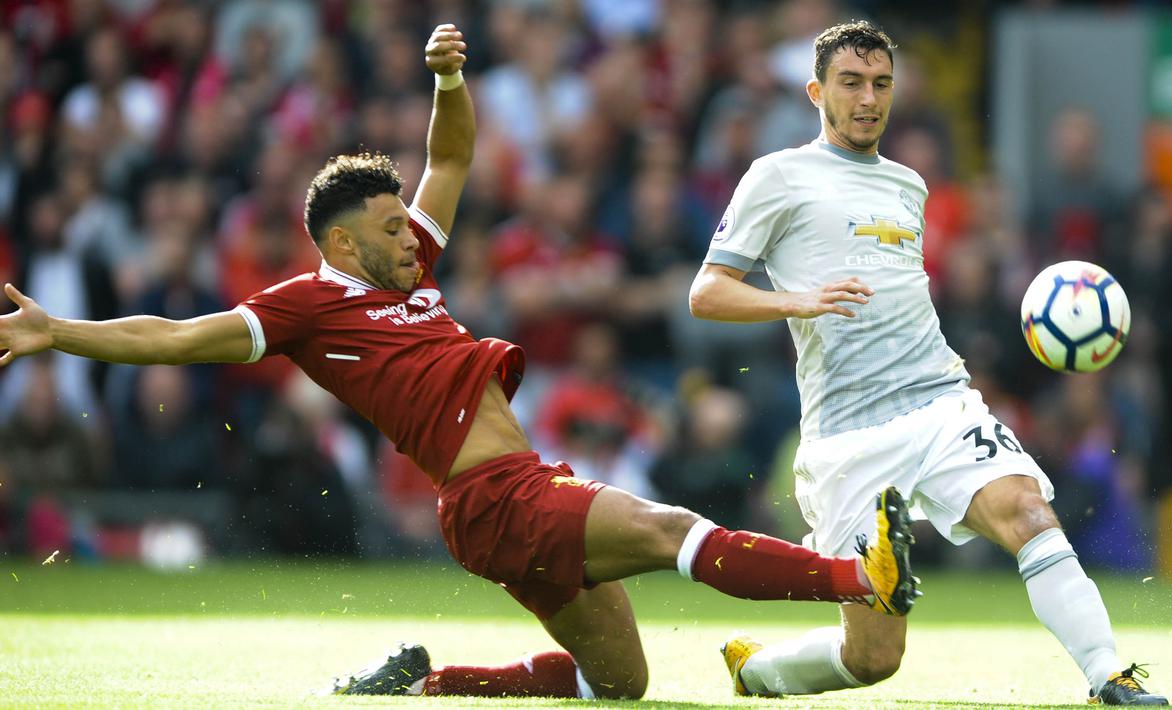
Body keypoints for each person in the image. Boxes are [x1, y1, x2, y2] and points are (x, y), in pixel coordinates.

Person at [0, 24, 918, 701]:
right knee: (665, 529)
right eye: (394, 226)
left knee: (619, 683)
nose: (417, 233)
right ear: (343, 244)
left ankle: (430, 688)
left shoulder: (407, 263)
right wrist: (59, 331)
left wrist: (446, 78)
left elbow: (451, 154)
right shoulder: (306, 306)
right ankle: (854, 574)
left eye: (410, 220)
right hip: (495, 498)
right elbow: (171, 334)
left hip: (508, 496)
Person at [688, 20, 1167, 707]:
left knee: (1028, 512)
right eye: (850, 83)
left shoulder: (909, 186)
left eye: (880, 84)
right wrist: (799, 300)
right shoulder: (777, 177)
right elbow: (705, 292)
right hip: (846, 437)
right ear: (815, 90)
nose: (867, 99)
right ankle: (756, 673)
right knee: (873, 656)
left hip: (938, 402)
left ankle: (1107, 676)